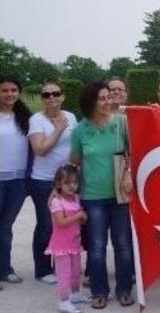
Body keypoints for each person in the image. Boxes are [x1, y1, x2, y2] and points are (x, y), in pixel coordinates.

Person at [69, 81, 134, 309]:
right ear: (90, 102)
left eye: (109, 97)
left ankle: (125, 288)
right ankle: (99, 290)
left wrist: (128, 172)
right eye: (102, 98)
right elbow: (74, 163)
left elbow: (134, 153)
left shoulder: (122, 124)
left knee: (123, 244)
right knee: (96, 246)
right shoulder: (79, 130)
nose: (109, 101)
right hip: (92, 196)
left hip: (120, 195)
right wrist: (60, 194)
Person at [28, 81, 78, 285]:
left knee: (66, 225)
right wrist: (58, 129)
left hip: (67, 182)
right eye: (46, 95)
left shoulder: (71, 116)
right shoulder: (36, 120)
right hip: (44, 181)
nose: (51, 97)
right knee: (47, 224)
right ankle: (42, 268)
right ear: (42, 99)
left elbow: (75, 146)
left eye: (55, 93)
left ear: (63, 96)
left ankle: (61, 263)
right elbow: (40, 149)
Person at [0, 75, 31, 286]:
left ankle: (5, 269)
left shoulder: (26, 117)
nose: (9, 94)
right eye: (5, 90)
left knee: (5, 226)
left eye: (13, 90)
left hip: (18, 181)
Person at [46, 165, 88, 313]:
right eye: (67, 182)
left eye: (75, 182)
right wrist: (79, 215)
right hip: (61, 246)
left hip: (74, 243)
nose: (72, 186)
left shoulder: (76, 198)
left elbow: (79, 220)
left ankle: (75, 294)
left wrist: (82, 219)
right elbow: (61, 222)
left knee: (76, 272)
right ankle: (63, 302)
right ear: (58, 184)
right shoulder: (56, 202)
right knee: (64, 275)